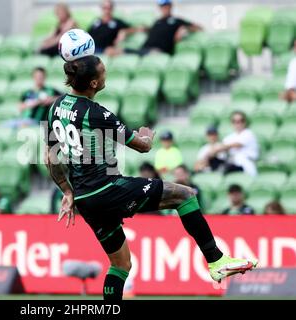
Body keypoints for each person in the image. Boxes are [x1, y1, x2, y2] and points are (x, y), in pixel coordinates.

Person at [44, 55, 257, 301]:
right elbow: (142, 147)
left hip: (84, 199)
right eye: (103, 72)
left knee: (121, 264)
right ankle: (216, 260)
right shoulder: (97, 114)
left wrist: (67, 191)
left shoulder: (56, 107)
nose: (106, 75)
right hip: (108, 189)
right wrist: (145, 136)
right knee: (184, 195)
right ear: (93, 83)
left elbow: (50, 157)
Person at [112, 0, 202, 56]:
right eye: (162, 6)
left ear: (170, 6)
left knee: (152, 55)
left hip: (159, 51)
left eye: (166, 6)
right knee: (116, 51)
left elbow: (198, 27)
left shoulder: (177, 20)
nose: (164, 8)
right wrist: (126, 31)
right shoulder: (157, 21)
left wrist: (184, 28)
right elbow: (145, 29)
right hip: (144, 49)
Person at [209, 111, 259, 176]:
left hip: (245, 164)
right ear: (231, 123)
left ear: (245, 122)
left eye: (241, 120)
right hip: (232, 163)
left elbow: (237, 144)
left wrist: (219, 148)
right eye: (234, 121)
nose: (238, 123)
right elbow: (218, 150)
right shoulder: (229, 137)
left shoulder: (248, 133)